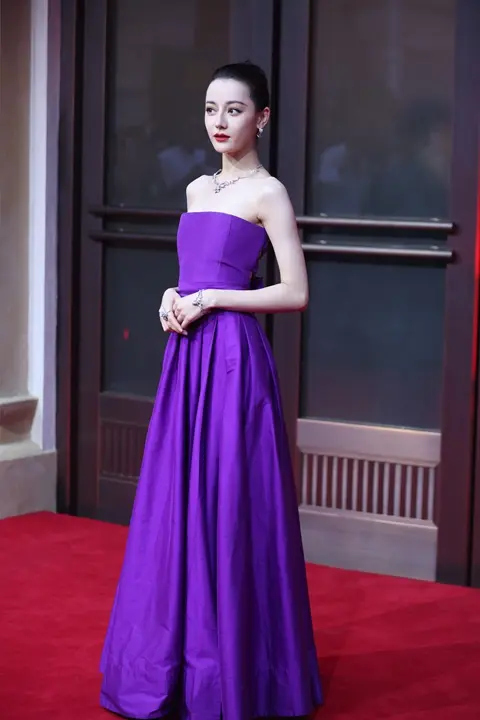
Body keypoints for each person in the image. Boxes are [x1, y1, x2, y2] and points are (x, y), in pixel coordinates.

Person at [100, 61, 323, 720]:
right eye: (210, 109)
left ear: (262, 117)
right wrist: (171, 294)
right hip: (187, 355)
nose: (219, 122)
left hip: (232, 360)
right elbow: (192, 271)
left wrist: (215, 299)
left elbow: (296, 291)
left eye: (234, 110)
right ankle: (176, 664)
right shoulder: (197, 189)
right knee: (178, 499)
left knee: (229, 501)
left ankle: (234, 672)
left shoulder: (269, 193)